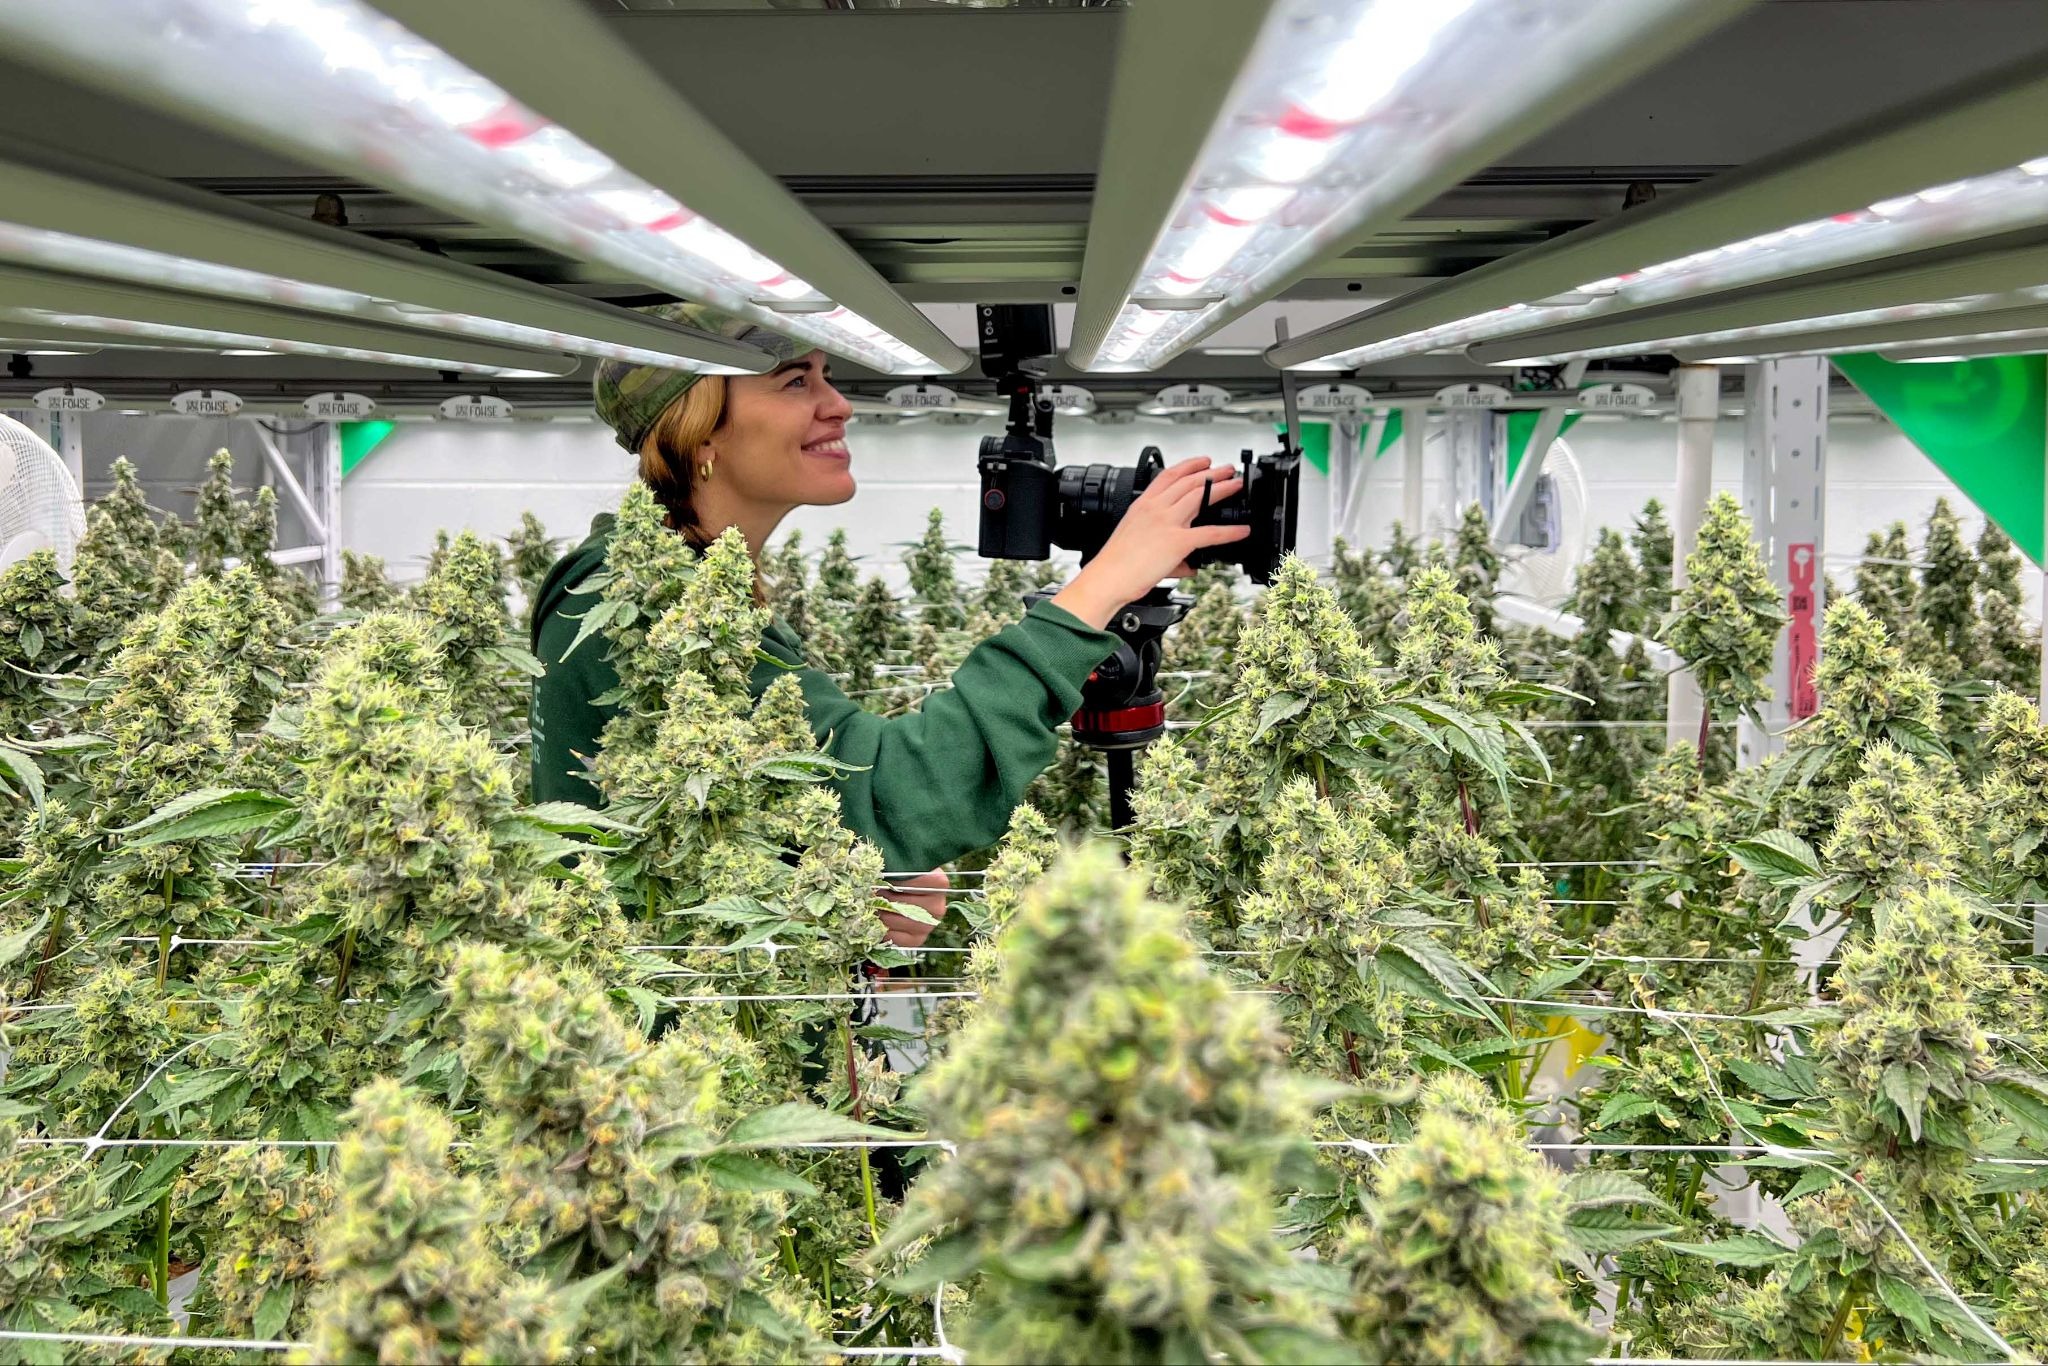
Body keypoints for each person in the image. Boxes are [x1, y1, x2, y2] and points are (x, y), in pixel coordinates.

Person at [530, 303, 1249, 945]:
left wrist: (826, 888)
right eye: (795, 382)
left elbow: (739, 813)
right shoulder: (650, 608)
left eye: (826, 375)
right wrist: (1106, 584)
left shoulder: (659, 582)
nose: (838, 404)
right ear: (699, 435)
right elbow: (892, 794)